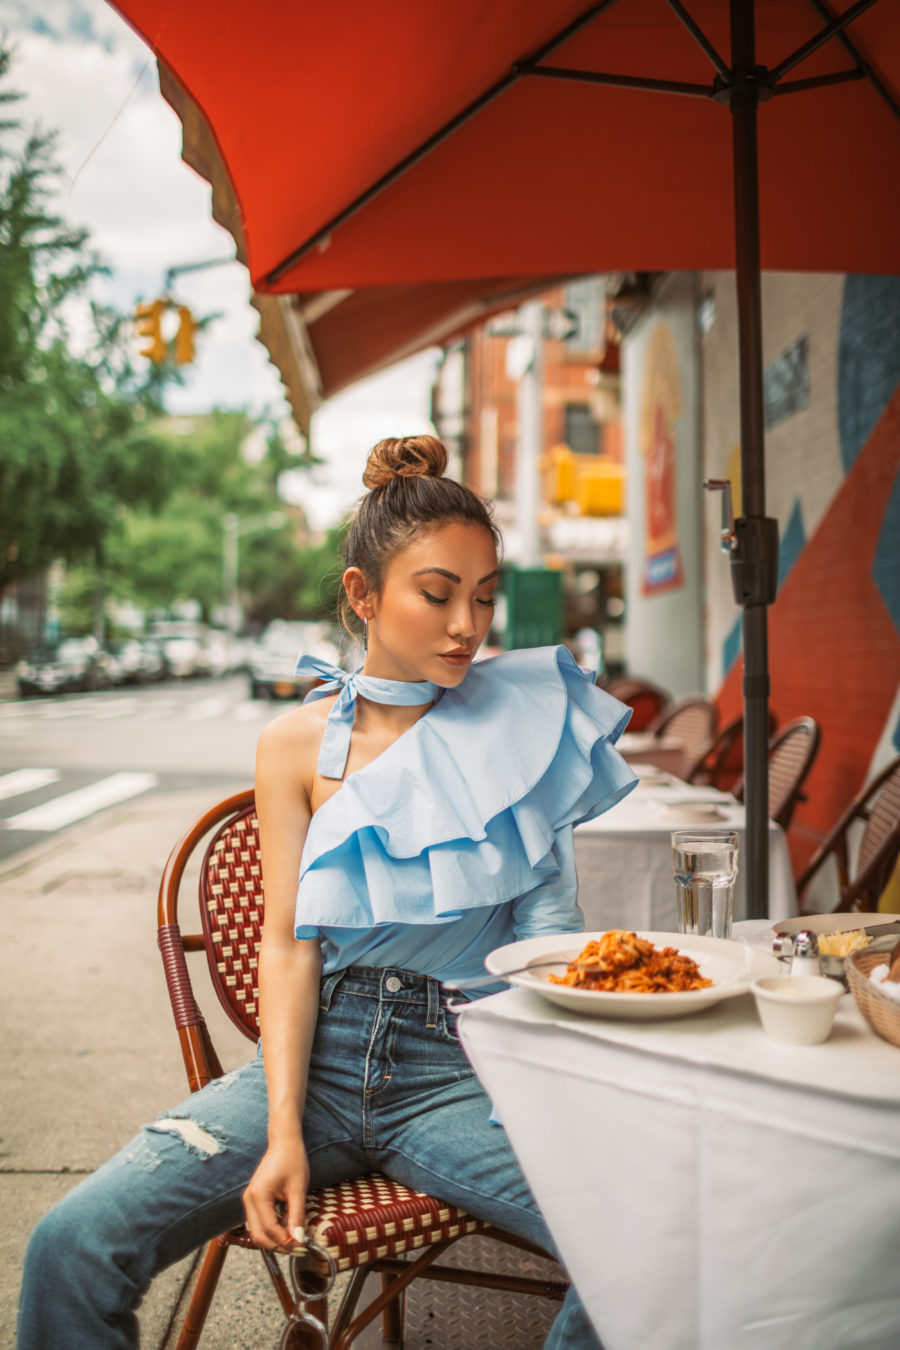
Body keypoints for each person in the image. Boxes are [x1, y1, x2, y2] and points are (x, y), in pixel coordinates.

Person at [17, 435, 637, 1349]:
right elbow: (287, 943)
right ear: (362, 595)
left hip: (461, 1067)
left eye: (484, 597)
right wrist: (281, 1132)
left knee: (636, 1237)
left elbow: (548, 931)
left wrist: (551, 1092)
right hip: (314, 1065)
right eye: (437, 593)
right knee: (68, 1244)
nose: (468, 624)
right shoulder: (294, 745)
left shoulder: (526, 721)